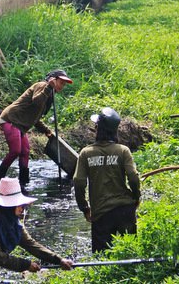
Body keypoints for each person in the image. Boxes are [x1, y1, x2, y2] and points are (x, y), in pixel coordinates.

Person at [73, 107, 141, 252]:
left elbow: (78, 182)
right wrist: (136, 197)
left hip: (101, 214)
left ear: (98, 129)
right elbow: (133, 177)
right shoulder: (123, 150)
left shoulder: (86, 153)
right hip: (125, 210)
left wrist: (84, 208)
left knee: (101, 259)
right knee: (130, 254)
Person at [0, 69, 73, 188]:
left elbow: (36, 116)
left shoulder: (49, 93)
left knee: (25, 152)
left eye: (64, 84)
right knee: (15, 150)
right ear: (53, 80)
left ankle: (23, 182)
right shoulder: (42, 86)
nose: (62, 86)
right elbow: (36, 102)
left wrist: (46, 130)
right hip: (11, 119)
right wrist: (48, 88)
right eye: (61, 82)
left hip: (21, 125)